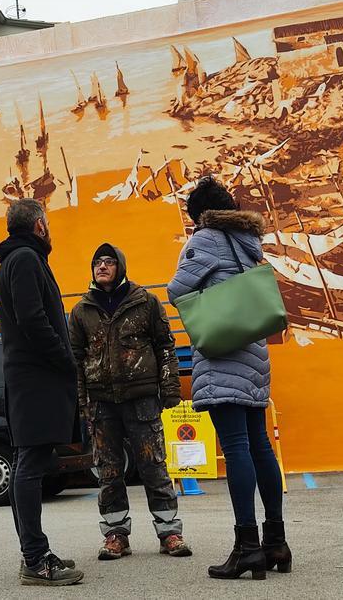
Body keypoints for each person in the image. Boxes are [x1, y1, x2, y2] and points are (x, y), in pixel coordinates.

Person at [166, 177, 292, 580]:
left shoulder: (204, 240)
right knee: (260, 447)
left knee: (236, 446)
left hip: (223, 352)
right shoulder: (245, 241)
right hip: (253, 351)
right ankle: (276, 541)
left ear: (200, 214)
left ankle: (247, 546)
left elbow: (176, 289)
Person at [69, 243, 192, 561]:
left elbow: (166, 345)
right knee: (108, 471)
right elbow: (76, 359)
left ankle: (170, 533)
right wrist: (82, 402)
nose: (102, 266)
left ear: (120, 266)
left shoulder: (145, 302)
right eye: (97, 262)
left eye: (109, 261)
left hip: (142, 399)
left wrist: (170, 390)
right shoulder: (82, 311)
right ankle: (115, 535)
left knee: (153, 466)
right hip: (101, 403)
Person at [0, 199, 84, 587]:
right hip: (36, 378)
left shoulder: (19, 259)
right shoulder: (26, 259)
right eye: (47, 222)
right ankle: (35, 559)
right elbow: (33, 319)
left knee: (28, 462)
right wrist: (64, 358)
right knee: (30, 464)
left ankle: (34, 553)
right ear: (39, 226)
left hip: (30, 377)